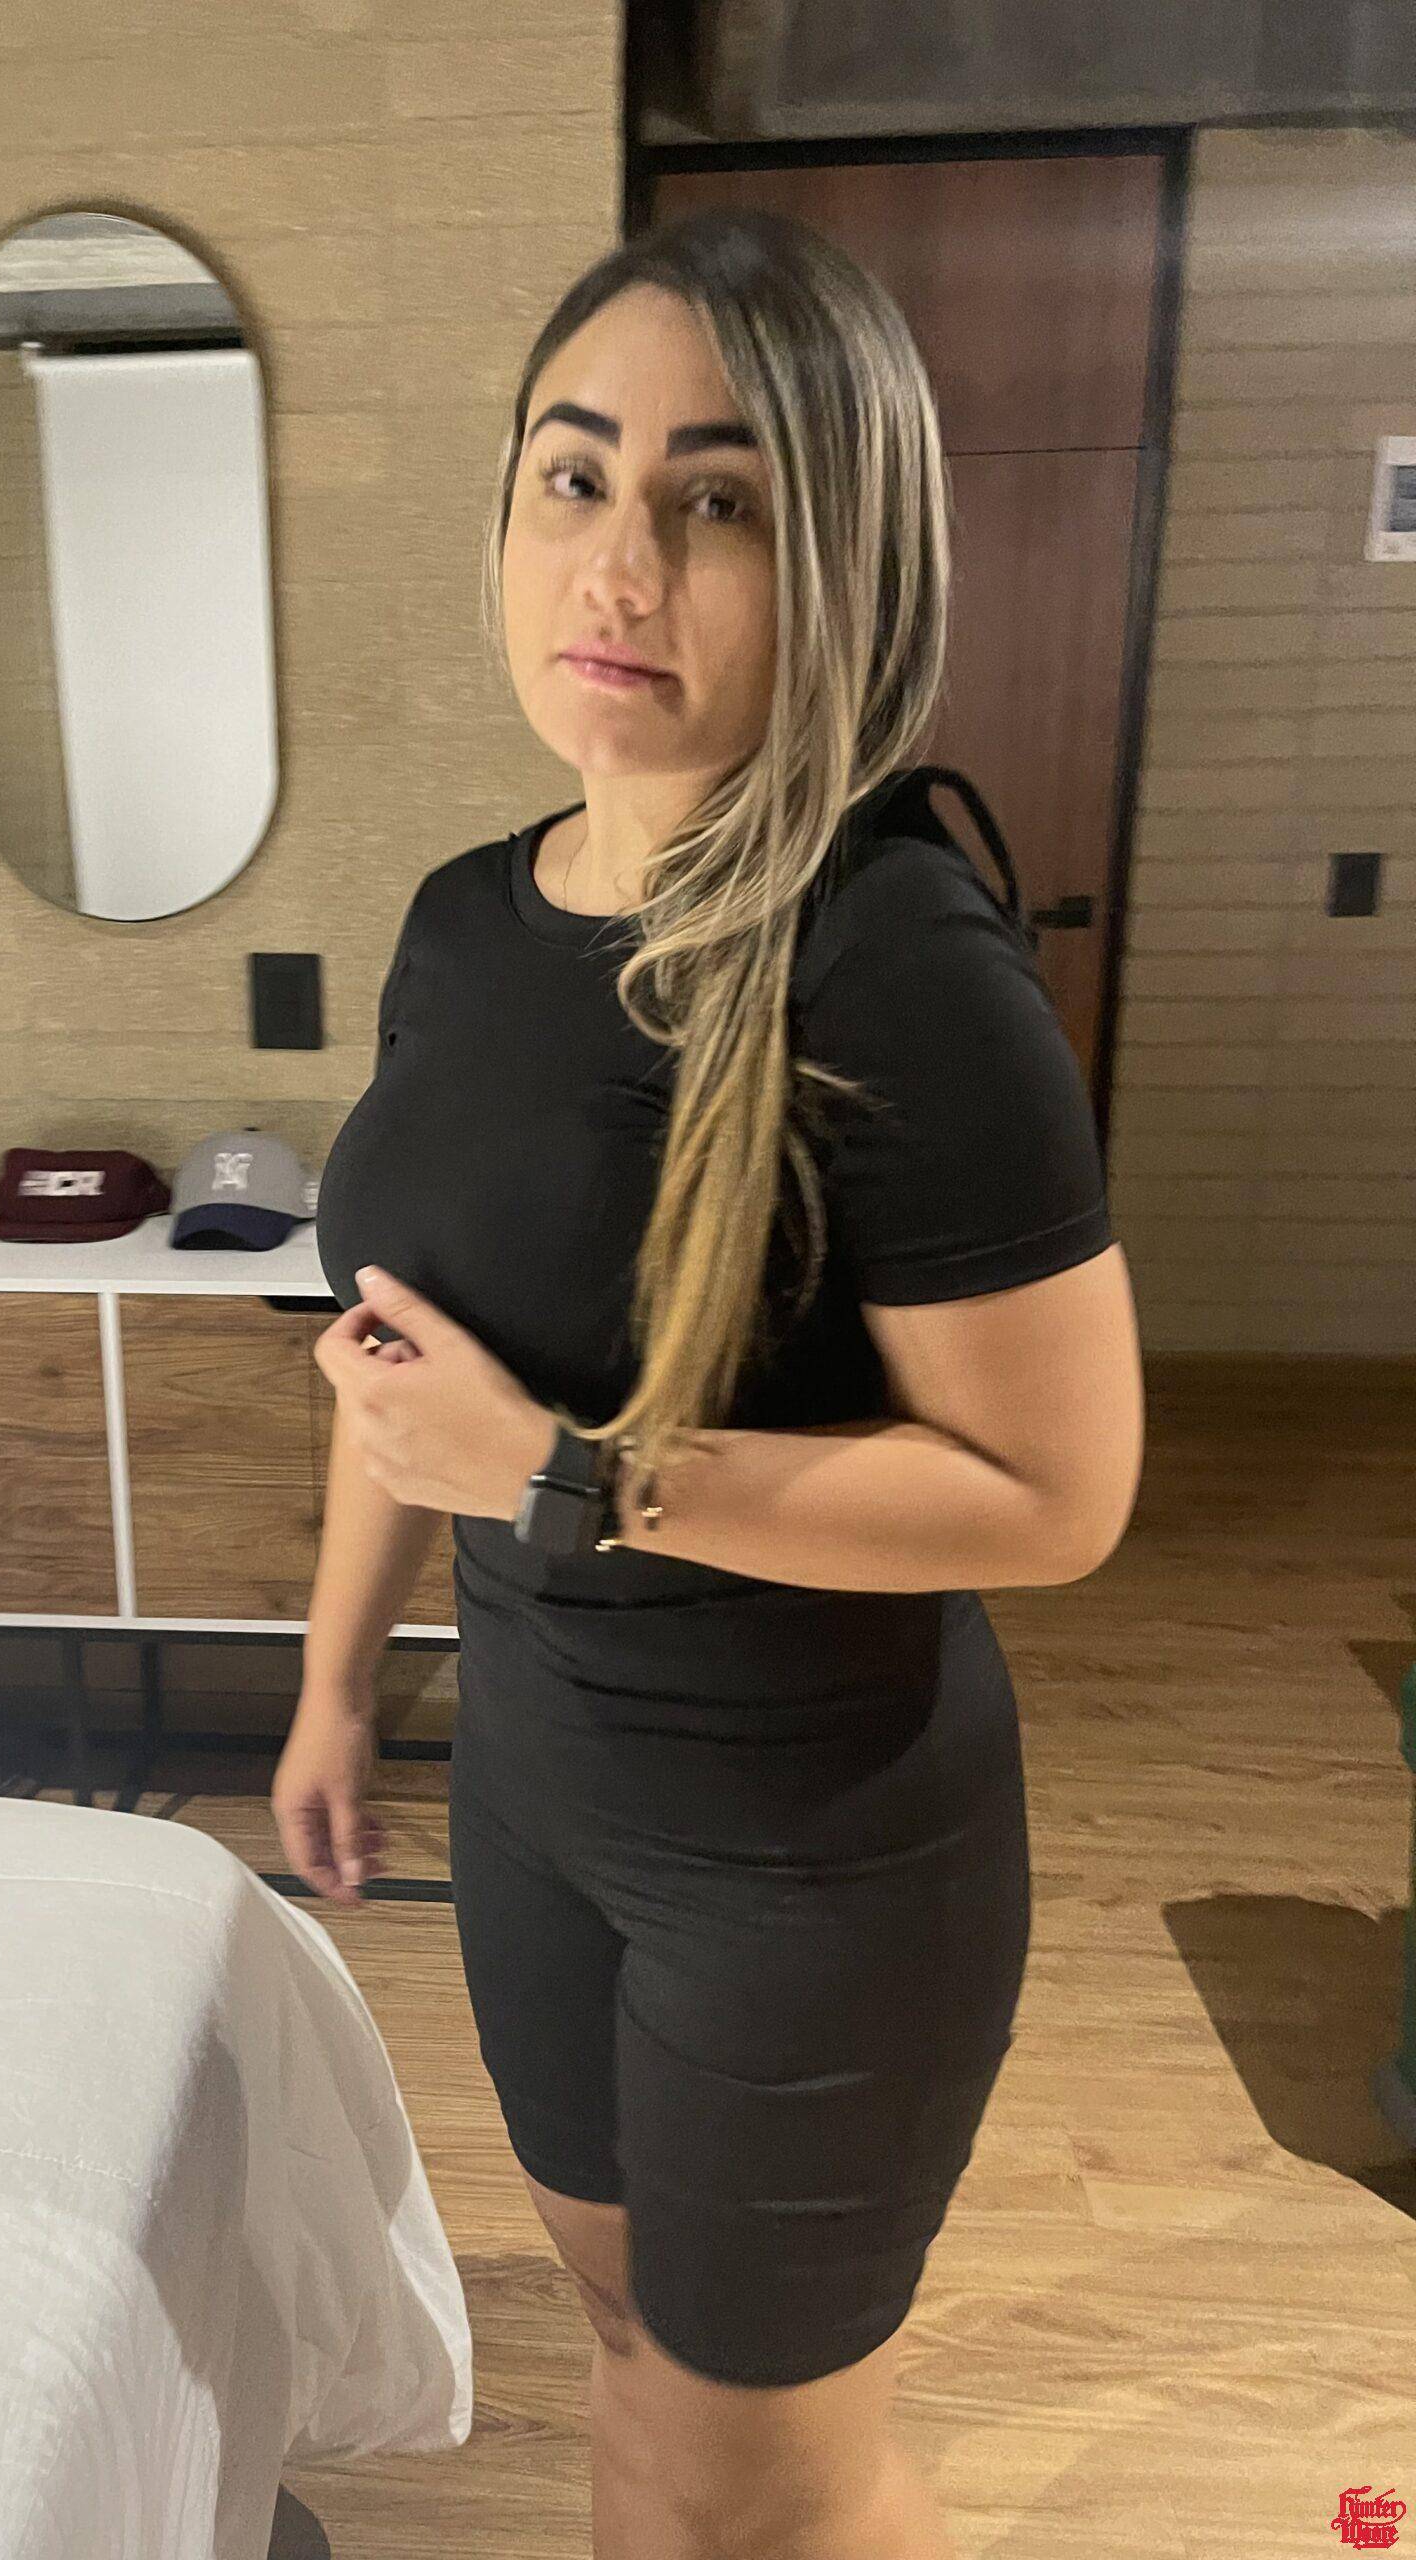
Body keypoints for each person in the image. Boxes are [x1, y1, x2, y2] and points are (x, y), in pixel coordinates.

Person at [279, 206, 1144, 2560]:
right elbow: (396, 1361)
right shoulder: (468, 918)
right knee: (648, 2368)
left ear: (842, 556)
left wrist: (573, 1473)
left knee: (747, 2486)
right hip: (537, 1801)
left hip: (813, 1859)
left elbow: (1056, 1490)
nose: (623, 562)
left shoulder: (895, 957)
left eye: (720, 499)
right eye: (576, 476)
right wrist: (338, 1681)